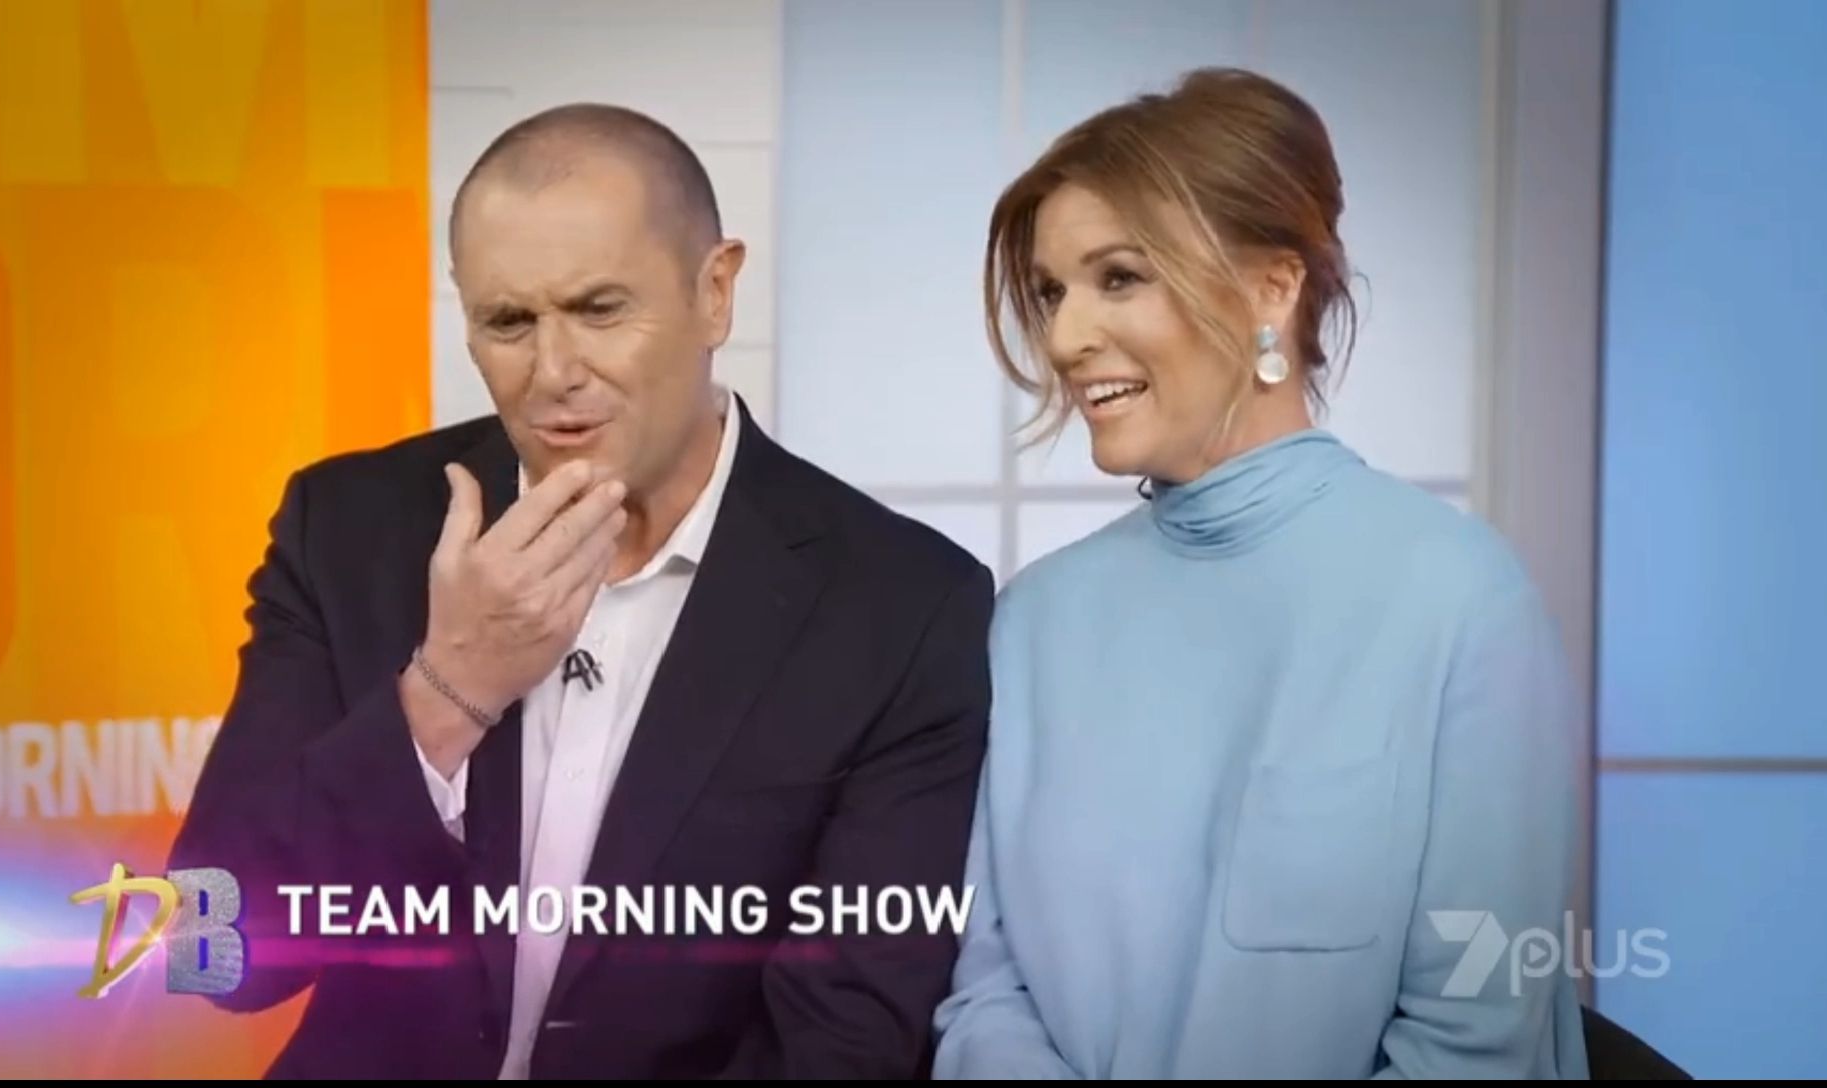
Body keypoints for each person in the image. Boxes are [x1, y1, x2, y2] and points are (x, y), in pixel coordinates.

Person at [169, 102, 994, 1079]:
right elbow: (213, 947)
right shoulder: (347, 528)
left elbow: (844, 1037)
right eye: (508, 322)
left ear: (715, 292)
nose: (553, 373)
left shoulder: (902, 605)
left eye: (600, 309)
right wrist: (447, 692)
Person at [930, 68, 1592, 1079]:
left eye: (1119, 278)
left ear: (1271, 290)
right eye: (1051, 291)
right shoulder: (1031, 622)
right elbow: (984, 992)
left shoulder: (1460, 601)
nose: (1063, 338)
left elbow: (1474, 1041)